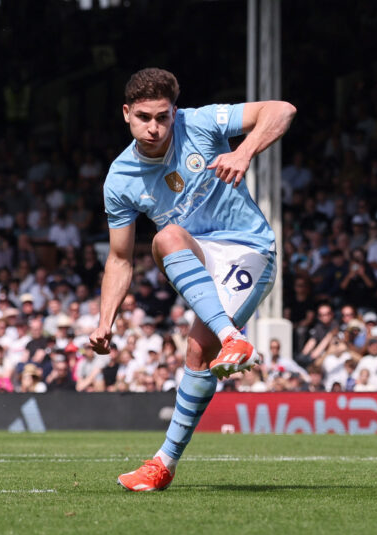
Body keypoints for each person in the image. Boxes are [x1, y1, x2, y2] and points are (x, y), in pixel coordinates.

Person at [89, 67, 296, 491]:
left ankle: (164, 460)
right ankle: (164, 464)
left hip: (248, 249)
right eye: (144, 117)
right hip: (197, 253)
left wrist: (244, 152)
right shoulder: (120, 179)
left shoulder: (200, 122)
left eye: (163, 117)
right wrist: (104, 320)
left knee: (198, 349)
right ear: (126, 114)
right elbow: (119, 259)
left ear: (174, 112)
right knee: (166, 239)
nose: (154, 127)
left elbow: (282, 109)